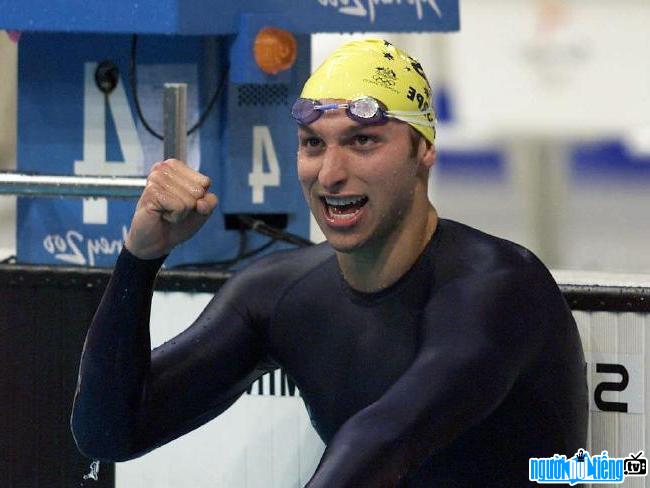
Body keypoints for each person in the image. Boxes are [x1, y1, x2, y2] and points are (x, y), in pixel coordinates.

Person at [71, 38, 588, 487]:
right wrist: (141, 258)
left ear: (423, 149)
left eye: (362, 142)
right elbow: (109, 431)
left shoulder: (497, 288)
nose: (331, 174)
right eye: (313, 144)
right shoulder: (277, 295)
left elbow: (385, 439)